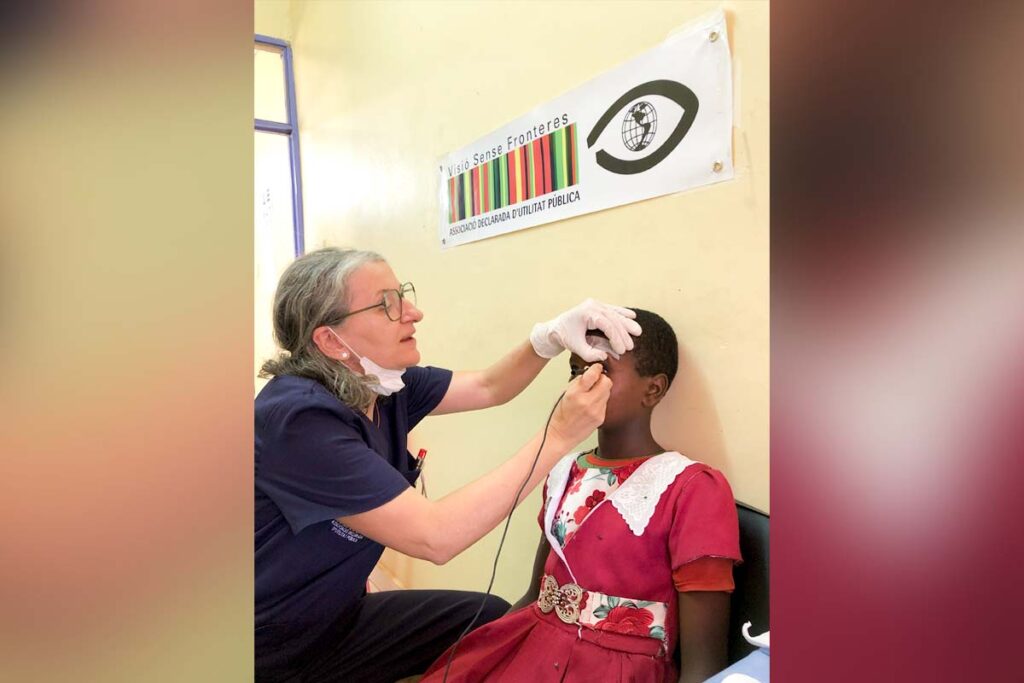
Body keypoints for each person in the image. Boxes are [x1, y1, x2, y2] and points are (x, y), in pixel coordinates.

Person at [255, 247, 641, 682]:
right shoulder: (297, 420)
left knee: (486, 620)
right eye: (388, 304)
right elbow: (435, 538)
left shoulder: (380, 385)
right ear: (330, 341)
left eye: (403, 295)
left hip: (335, 620)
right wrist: (557, 437)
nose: (413, 313)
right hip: (267, 650)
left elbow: (489, 386)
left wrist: (546, 338)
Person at [420, 309, 742, 683]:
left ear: (653, 389)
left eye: (601, 370)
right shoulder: (564, 469)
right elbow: (533, 594)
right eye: (576, 370)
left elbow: (706, 665)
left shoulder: (691, 488)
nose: (580, 384)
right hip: (537, 646)